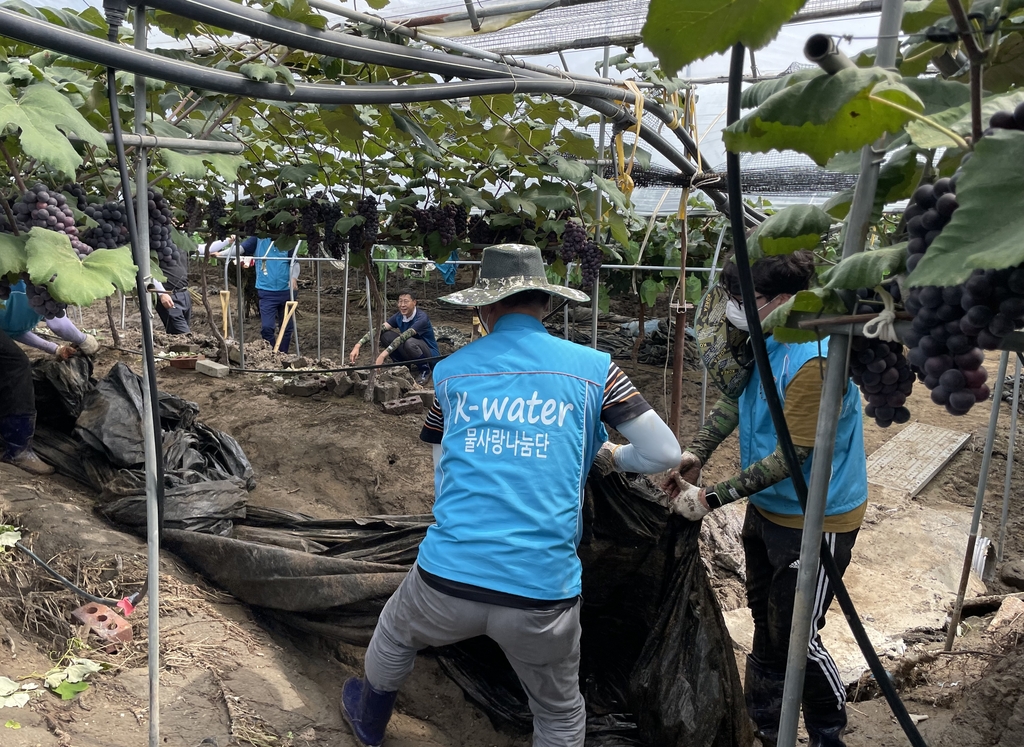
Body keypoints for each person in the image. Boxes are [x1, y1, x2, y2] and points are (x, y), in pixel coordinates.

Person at [341, 244, 682, 747]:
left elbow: (443, 473)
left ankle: (368, 723)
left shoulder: (451, 372)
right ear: (545, 302)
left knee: (395, 632)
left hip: (447, 579)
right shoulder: (595, 368)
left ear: (483, 307)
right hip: (542, 592)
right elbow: (663, 452)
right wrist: (609, 455)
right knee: (561, 713)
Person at [663, 251, 867, 747]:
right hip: (768, 510)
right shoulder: (772, 336)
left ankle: (826, 733)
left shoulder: (815, 358)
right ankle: (767, 727)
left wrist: (712, 497)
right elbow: (737, 396)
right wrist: (697, 451)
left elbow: (792, 457)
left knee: (796, 639)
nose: (734, 308)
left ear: (786, 299)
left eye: (744, 299)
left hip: (816, 520)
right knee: (766, 623)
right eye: (731, 297)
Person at [0, 280, 99, 475]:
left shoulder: (21, 285)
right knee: (16, 365)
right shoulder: (42, 277)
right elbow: (58, 324)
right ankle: (17, 450)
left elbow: (13, 330)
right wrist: (83, 339)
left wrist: (54, 348)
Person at [348, 289, 439, 386]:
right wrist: (358, 345)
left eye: (406, 301)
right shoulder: (398, 316)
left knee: (409, 342)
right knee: (385, 335)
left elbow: (404, 337)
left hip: (429, 353)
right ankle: (402, 365)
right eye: (400, 301)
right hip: (411, 349)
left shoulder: (421, 318)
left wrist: (382, 355)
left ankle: (425, 370)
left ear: (414, 302)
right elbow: (378, 329)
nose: (402, 305)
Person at [231, 236, 300, 352]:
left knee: (287, 328)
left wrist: (294, 277)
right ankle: (272, 353)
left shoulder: (287, 240)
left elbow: (295, 263)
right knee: (267, 328)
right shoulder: (257, 239)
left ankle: (283, 354)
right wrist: (220, 252)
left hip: (287, 292)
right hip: (267, 293)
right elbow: (239, 250)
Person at [151, 245, 191, 335]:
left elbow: (200, 248)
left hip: (184, 293)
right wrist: (161, 293)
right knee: (182, 333)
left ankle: (177, 348)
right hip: (168, 296)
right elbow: (149, 270)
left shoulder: (180, 242)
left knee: (179, 334)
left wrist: (228, 241)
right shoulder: (156, 243)